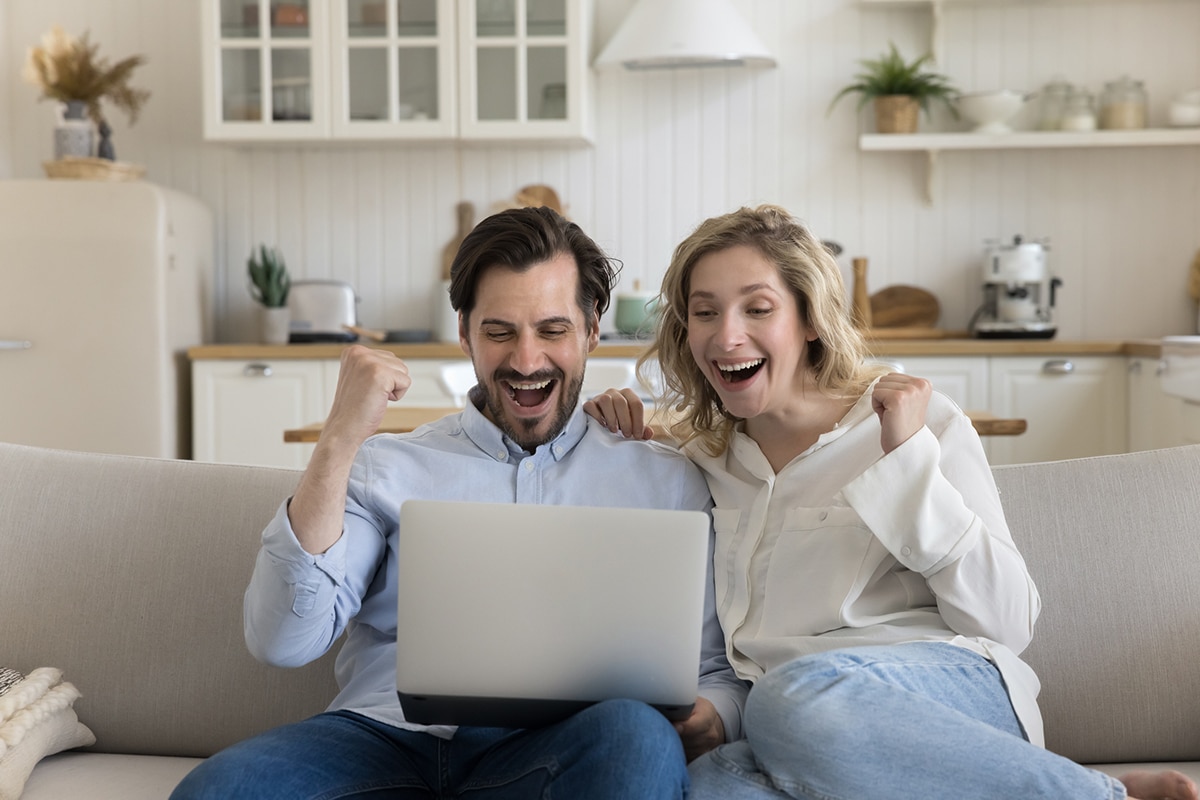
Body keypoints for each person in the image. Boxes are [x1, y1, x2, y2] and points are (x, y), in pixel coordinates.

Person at [584, 204, 1199, 800]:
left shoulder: (915, 422)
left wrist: (905, 461)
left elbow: (1008, 623)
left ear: (810, 320)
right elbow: (743, 661)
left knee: (793, 699)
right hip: (797, 730)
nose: (727, 335)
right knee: (709, 787)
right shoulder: (701, 463)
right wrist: (622, 449)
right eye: (704, 312)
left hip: (943, 694)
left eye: (758, 308)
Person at [171, 206, 748, 800]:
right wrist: (339, 437)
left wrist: (718, 714)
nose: (526, 361)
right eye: (499, 331)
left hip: (557, 750)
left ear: (592, 330)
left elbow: (713, 671)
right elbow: (281, 641)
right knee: (220, 789)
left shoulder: (663, 479)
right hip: (385, 737)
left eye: (552, 330)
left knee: (637, 735)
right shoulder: (385, 466)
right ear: (465, 331)